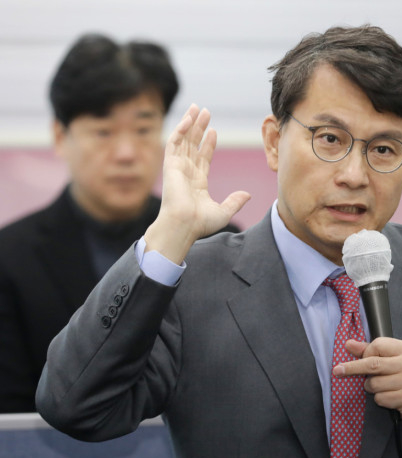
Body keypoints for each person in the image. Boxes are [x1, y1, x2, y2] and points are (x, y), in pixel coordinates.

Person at [35, 25, 402, 457]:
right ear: (273, 141)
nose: (354, 175)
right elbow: (75, 406)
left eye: (384, 149)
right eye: (330, 139)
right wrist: (169, 232)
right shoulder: (191, 286)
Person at [0, 33, 239, 413]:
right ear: (60, 136)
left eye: (144, 129)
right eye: (103, 131)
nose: (127, 153)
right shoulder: (10, 258)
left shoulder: (218, 242)